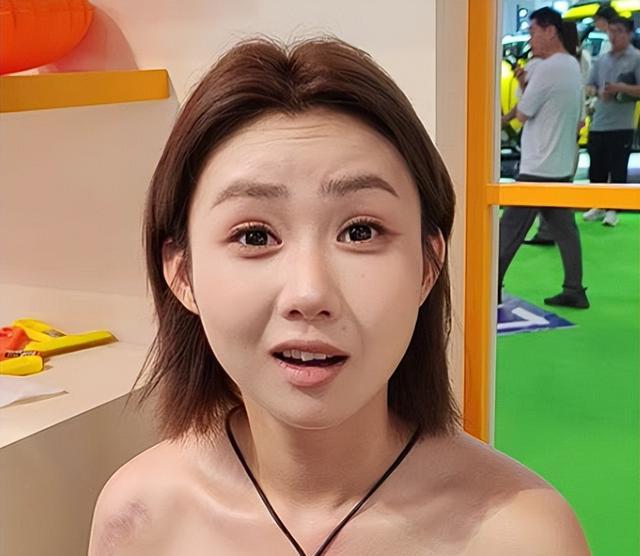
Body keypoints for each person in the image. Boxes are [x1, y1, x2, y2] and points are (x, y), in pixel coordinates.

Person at [87, 38, 590, 555]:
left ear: (427, 264)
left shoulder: (524, 536)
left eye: (360, 231)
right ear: (181, 272)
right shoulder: (138, 517)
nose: (310, 293)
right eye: (254, 235)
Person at [499, 8, 589, 310]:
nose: (530, 39)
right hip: (559, 165)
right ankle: (574, 288)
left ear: (550, 31)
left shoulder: (548, 68)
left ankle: (489, 287)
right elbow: (570, 116)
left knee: (507, 232)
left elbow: (524, 112)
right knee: (565, 232)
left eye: (533, 32)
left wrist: (522, 91)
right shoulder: (571, 65)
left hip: (537, 166)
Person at [583, 16, 640, 227]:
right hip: (599, 122)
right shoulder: (601, 60)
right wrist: (595, 91)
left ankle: (613, 209)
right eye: (611, 31)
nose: (614, 36)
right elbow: (589, 85)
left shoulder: (636, 59)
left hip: (622, 124)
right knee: (596, 167)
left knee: (617, 168)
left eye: (619, 31)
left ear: (629, 34)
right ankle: (598, 204)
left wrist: (620, 88)